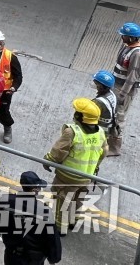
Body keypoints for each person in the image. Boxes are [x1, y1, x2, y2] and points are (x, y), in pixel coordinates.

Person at [43, 98, 106, 232]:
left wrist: (48, 160)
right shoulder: (100, 131)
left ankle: (60, 227)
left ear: (80, 116)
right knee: (78, 199)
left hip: (68, 176)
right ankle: (73, 221)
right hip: (86, 176)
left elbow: (58, 151)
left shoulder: (72, 132)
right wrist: (95, 166)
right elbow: (104, 151)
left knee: (62, 199)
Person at [0, 171, 62, 265]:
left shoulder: (5, 201)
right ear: (34, 190)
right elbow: (52, 239)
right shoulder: (44, 211)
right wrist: (53, 258)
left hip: (12, 256)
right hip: (34, 260)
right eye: (39, 187)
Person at [111, 22, 140, 155]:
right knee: (113, 114)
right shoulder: (127, 46)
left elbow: (132, 77)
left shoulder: (137, 54)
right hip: (116, 86)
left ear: (132, 38)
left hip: (124, 90)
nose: (122, 37)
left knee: (119, 117)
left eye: (124, 35)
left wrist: (123, 95)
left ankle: (115, 147)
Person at [92, 69, 119, 157]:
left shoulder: (99, 102)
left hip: (97, 131)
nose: (95, 85)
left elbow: (88, 113)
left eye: (96, 84)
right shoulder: (112, 94)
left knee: (93, 151)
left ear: (101, 86)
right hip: (107, 129)